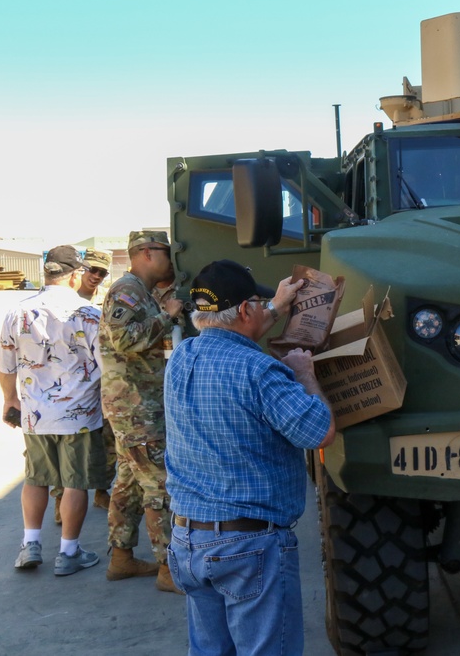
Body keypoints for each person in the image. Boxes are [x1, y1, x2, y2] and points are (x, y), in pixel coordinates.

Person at [164, 259, 334, 655]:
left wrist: (276, 305)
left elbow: (234, 335)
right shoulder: (261, 371)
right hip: (247, 549)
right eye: (257, 303)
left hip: (188, 542)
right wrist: (304, 375)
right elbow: (320, 433)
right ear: (243, 310)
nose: (262, 309)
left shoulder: (181, 358)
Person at [0, 245, 107, 576]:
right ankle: (68, 552)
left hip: (35, 413)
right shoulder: (89, 315)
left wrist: (10, 400)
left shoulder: (17, 312)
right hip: (81, 415)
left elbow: (6, 365)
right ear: (75, 275)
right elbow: (106, 366)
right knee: (75, 482)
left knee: (35, 478)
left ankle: (30, 544)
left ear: (47, 273)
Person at [98, 230, 183, 592]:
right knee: (160, 487)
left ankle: (121, 559)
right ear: (146, 252)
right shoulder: (128, 289)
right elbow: (125, 339)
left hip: (133, 404)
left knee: (129, 483)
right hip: (136, 407)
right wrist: (167, 316)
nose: (171, 259)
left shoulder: (140, 291)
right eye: (166, 252)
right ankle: (169, 568)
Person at [50, 246, 115, 524]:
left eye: (102, 272)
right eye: (91, 270)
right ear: (79, 270)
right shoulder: (61, 300)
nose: (96, 276)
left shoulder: (107, 299)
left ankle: (101, 490)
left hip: (100, 381)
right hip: (66, 384)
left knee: (107, 440)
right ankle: (59, 498)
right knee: (62, 446)